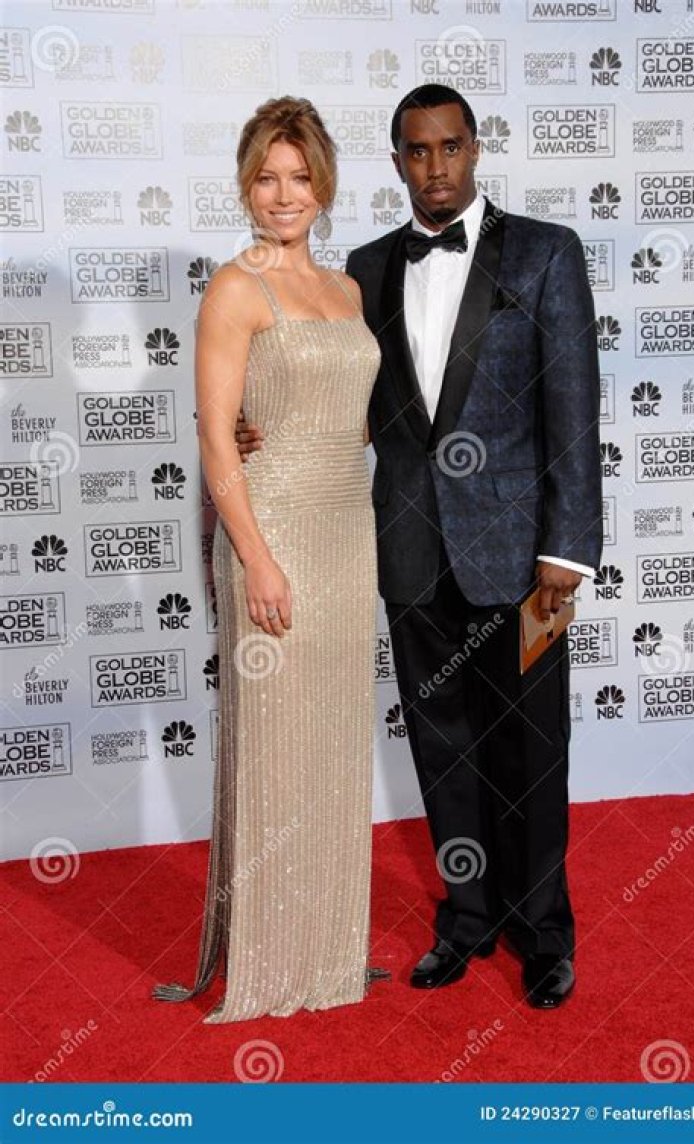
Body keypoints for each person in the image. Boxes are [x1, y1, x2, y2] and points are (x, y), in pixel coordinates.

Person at [238, 84, 602, 1009]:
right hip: (405, 546)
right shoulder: (364, 270)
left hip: (524, 561)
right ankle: (468, 918)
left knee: (534, 749)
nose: (434, 166)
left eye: (449, 147)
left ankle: (544, 933)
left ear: (475, 149)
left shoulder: (546, 252)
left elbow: (573, 408)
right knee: (442, 748)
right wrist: (260, 428)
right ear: (396, 160)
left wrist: (568, 549)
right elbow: (343, 398)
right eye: (416, 150)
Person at [153, 96, 382, 1022]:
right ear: (245, 187)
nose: (284, 196)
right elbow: (217, 439)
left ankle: (329, 945)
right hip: (272, 534)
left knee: (333, 745)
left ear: (324, 183)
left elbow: (355, 420)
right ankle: (273, 955)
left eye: (299, 177)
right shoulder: (235, 288)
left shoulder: (349, 291)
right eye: (265, 178)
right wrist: (256, 559)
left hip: (348, 531)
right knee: (277, 747)